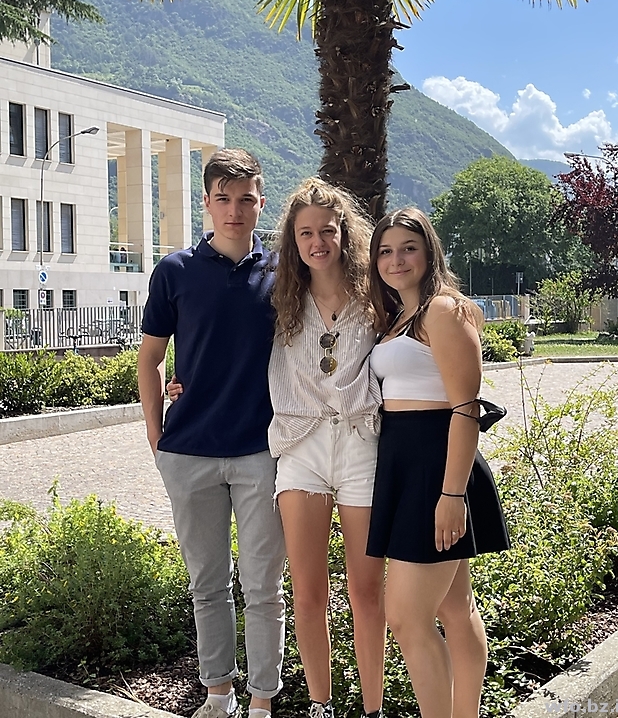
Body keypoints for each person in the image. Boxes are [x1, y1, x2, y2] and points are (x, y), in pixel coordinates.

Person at [138, 148, 286, 718]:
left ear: (260, 202)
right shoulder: (174, 272)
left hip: (261, 452)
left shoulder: (282, 273)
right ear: (206, 202)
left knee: (263, 586)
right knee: (208, 585)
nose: (234, 210)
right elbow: (150, 360)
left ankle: (262, 701)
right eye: (223, 199)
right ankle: (218, 694)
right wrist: (157, 440)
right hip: (190, 452)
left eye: (245, 199)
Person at [366, 207, 510, 718]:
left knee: (406, 618)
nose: (396, 260)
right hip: (406, 465)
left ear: (429, 252)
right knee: (454, 606)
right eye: (386, 251)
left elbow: (466, 407)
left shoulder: (443, 310)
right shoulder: (399, 317)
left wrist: (451, 495)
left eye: (408, 248)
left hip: (437, 467)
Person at [267, 179, 386, 718]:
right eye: (306, 233)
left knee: (367, 591)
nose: (318, 242)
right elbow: (222, 344)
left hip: (362, 444)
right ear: (293, 240)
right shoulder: (278, 299)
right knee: (308, 594)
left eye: (327, 231)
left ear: (345, 233)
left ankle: (372, 709)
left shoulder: (375, 295)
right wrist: (184, 385)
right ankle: (321, 707)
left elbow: (427, 312)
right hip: (301, 447)